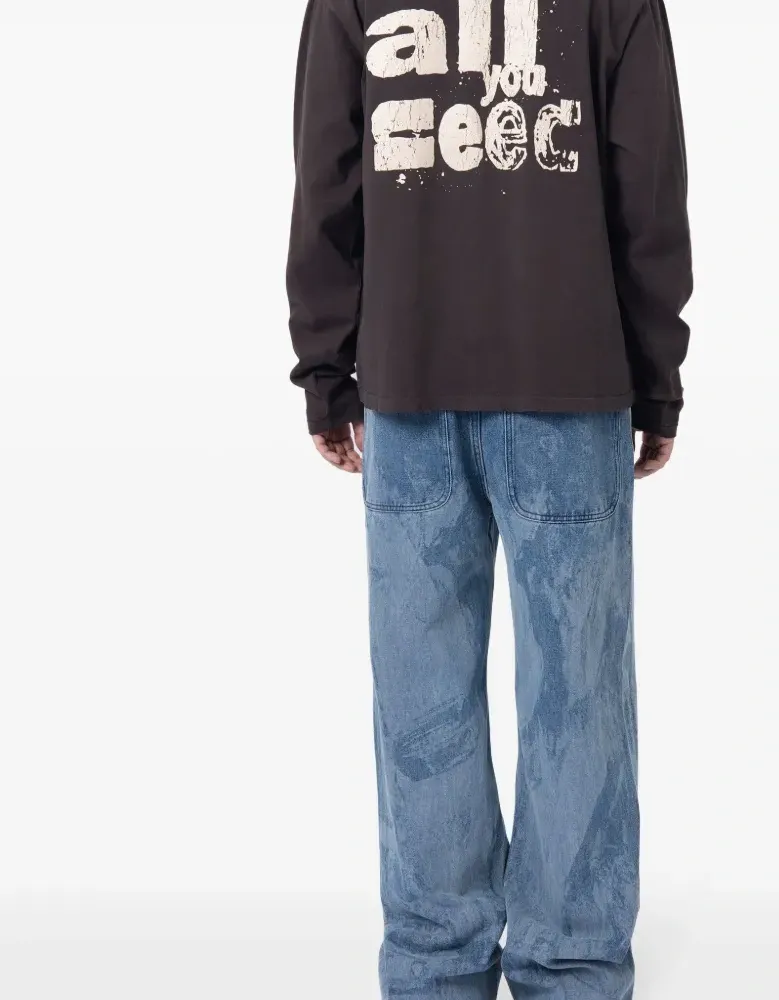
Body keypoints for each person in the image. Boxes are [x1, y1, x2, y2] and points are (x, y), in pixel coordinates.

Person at [285, 0, 691, 996]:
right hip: (569, 380)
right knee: (578, 696)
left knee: (420, 700)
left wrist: (327, 369)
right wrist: (655, 378)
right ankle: (574, 966)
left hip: (409, 380)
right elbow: (647, 185)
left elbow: (327, 171)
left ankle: (434, 964)